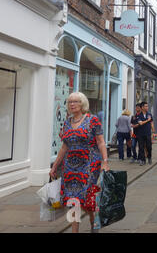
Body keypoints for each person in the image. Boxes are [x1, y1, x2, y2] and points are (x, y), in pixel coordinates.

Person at [50, 92, 109, 233]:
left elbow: (100, 142)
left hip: (89, 165)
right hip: (69, 167)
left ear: (82, 103)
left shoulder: (92, 120)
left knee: (85, 198)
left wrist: (105, 161)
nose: (72, 104)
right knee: (73, 200)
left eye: (75, 101)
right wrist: (55, 166)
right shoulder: (67, 122)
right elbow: (64, 146)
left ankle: (93, 220)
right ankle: (74, 230)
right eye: (70, 102)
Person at [137, 102, 155, 166]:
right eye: (145, 106)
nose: (147, 107)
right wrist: (147, 120)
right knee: (141, 147)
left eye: (147, 106)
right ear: (142, 107)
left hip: (148, 133)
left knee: (149, 146)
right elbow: (140, 123)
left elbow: (151, 123)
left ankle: (149, 157)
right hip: (140, 134)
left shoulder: (149, 114)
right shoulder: (139, 115)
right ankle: (143, 160)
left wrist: (153, 131)